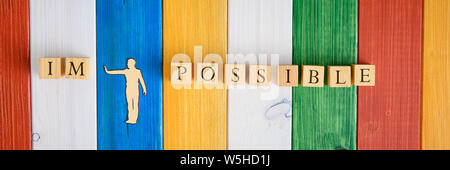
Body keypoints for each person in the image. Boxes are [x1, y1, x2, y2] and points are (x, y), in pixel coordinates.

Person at [104, 59, 147, 124]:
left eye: (128, 63)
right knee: (129, 104)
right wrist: (107, 71)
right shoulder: (126, 71)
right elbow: (117, 72)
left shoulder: (137, 71)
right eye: (127, 63)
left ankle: (134, 119)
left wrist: (144, 89)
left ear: (132, 64)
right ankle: (130, 119)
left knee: (135, 104)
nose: (127, 64)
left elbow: (142, 81)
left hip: (135, 89)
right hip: (128, 89)